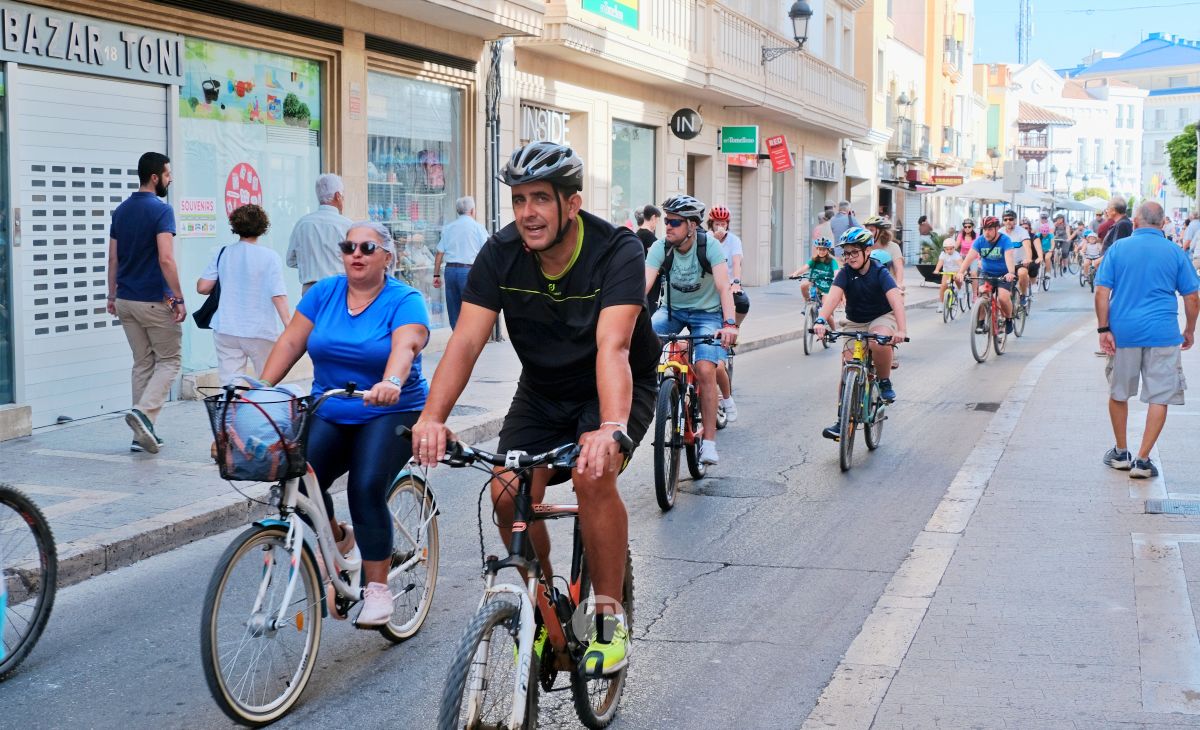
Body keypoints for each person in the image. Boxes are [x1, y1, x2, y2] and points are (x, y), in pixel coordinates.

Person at [412, 142, 660, 675]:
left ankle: (608, 617)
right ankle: (545, 603)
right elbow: (466, 342)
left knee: (595, 477)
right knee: (506, 490)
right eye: (519, 199)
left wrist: (610, 429)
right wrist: (432, 418)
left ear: (571, 204)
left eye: (540, 199)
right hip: (544, 389)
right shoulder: (500, 253)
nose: (527, 212)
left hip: (614, 385)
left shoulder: (616, 250)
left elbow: (614, 346)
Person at [260, 220, 430, 625]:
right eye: (349, 246)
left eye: (367, 248)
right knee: (298, 477)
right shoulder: (324, 293)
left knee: (366, 484)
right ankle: (338, 536)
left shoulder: (405, 299)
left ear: (388, 256)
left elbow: (406, 346)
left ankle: (376, 589)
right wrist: (262, 386)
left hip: (390, 410)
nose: (356, 254)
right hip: (332, 407)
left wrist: (390, 381)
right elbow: (290, 341)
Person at [1095, 201, 1199, 478]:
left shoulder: (1118, 249)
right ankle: (1142, 460)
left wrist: (1103, 329)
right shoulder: (1175, 252)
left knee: (1118, 392)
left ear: (1137, 222)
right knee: (1160, 395)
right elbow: (1192, 297)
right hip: (1163, 333)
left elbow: (1101, 292)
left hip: (1123, 333)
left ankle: (1120, 452)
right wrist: (1189, 329)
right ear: (1163, 223)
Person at [645, 195, 738, 464]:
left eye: (675, 222)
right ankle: (650, 395)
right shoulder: (660, 247)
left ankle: (708, 442)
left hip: (707, 314)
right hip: (671, 312)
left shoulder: (709, 246)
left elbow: (723, 286)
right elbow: (643, 287)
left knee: (706, 369)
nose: (668, 226)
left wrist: (729, 324)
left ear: (692, 225)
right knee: (642, 341)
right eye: (666, 221)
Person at [107, 151, 185, 454]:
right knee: (169, 360)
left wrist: (111, 294)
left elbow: (112, 257)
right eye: (167, 174)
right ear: (155, 177)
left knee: (142, 363)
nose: (170, 179)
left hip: (126, 300)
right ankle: (143, 414)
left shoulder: (121, 210)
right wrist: (178, 297)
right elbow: (166, 258)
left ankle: (141, 435)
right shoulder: (161, 211)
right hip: (153, 300)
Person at [811, 227, 907, 440]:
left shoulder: (879, 272)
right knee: (847, 368)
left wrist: (901, 329)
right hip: (854, 321)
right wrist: (820, 320)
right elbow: (833, 298)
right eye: (846, 253)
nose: (850, 257)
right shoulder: (845, 273)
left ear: (867, 251)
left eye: (855, 252)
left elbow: (896, 301)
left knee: (879, 342)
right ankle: (841, 420)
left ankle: (883, 381)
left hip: (881, 317)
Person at [196, 204, 290, 385]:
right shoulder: (270, 257)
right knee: (268, 381)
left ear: (235, 226)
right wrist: (289, 326)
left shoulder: (223, 253)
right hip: (259, 330)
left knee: (231, 386)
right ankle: (263, 413)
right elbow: (278, 295)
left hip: (226, 328)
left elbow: (203, 287)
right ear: (263, 227)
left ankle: (231, 413)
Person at [286, 173, 353, 293]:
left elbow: (290, 260)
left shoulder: (302, 224)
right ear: (338, 196)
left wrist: (311, 264)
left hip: (310, 291)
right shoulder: (348, 226)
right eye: (343, 196)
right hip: (339, 290)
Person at [708, 205, 745, 423]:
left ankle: (735, 328)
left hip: (729, 287)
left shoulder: (733, 241)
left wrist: (737, 282)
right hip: (708, 293)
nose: (720, 227)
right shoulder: (705, 239)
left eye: (723, 224)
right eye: (717, 223)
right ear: (710, 224)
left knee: (743, 302)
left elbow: (737, 263)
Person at [432, 196, 489, 329]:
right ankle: (469, 340)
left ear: (458, 211)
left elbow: (439, 252)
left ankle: (457, 338)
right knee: (471, 307)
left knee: (454, 310)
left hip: (450, 271)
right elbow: (487, 251)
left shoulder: (448, 227)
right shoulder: (478, 228)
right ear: (472, 210)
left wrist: (436, 275)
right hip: (469, 271)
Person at [955, 216, 1018, 334]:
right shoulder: (980, 241)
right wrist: (961, 272)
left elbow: (1009, 257)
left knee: (1003, 298)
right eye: (984, 229)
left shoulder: (1005, 240)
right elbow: (969, 257)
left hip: (1004, 274)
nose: (986, 233)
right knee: (983, 293)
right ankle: (981, 322)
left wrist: (1011, 272)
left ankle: (1009, 319)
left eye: (990, 229)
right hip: (987, 273)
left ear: (997, 228)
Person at [790, 238, 839, 304]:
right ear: (817, 249)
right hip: (814, 281)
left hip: (826, 284)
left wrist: (837, 278)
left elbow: (836, 272)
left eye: (824, 249)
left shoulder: (832, 261)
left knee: (826, 306)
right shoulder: (814, 260)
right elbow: (805, 267)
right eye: (819, 249)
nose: (821, 251)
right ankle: (808, 302)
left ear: (828, 250)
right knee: (803, 286)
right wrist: (795, 273)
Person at [637, 205, 663, 315]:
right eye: (657, 221)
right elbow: (657, 258)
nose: (656, 224)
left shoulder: (637, 234)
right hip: (651, 280)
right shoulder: (650, 237)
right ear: (653, 218)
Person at [933, 238, 963, 315]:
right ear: (944, 249)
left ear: (954, 248)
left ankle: (960, 290)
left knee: (957, 279)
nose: (949, 251)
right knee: (943, 286)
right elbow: (940, 262)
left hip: (956, 271)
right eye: (947, 249)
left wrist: (962, 272)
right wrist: (936, 270)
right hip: (947, 271)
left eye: (951, 249)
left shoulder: (956, 255)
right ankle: (941, 304)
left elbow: (960, 264)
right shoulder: (943, 254)